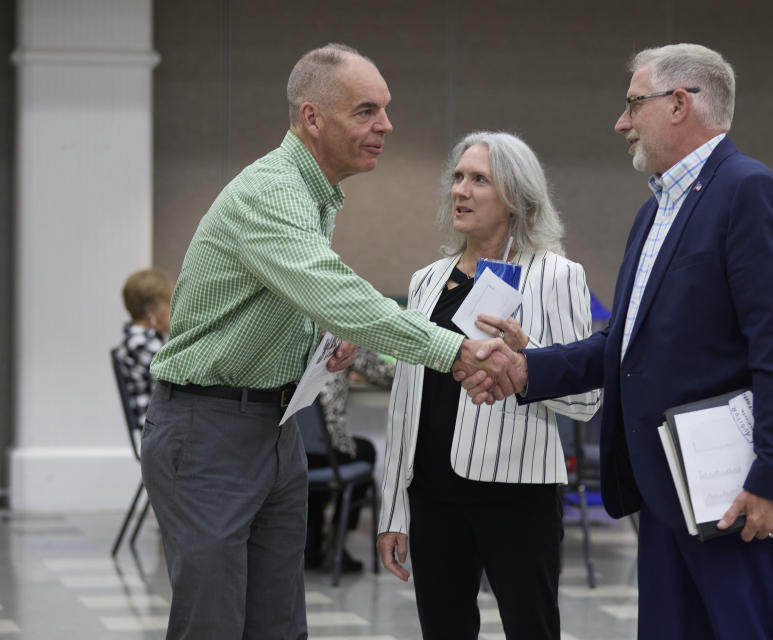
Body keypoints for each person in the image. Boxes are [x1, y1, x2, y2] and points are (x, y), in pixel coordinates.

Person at [141, 44, 516, 640]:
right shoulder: (273, 192)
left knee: (279, 623)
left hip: (273, 426)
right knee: (212, 624)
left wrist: (316, 337)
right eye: (366, 111)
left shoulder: (315, 194)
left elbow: (295, 295)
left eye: (385, 110)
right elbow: (334, 290)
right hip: (208, 429)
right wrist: (454, 349)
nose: (386, 126)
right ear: (313, 118)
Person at [460, 44, 773, 639]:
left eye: (632, 105)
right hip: (665, 492)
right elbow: (623, 348)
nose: (621, 123)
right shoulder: (654, 215)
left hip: (734, 496)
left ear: (679, 104)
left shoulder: (746, 191)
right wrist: (526, 370)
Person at [377, 131, 601, 640]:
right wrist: (393, 510)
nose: (461, 190)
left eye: (479, 180)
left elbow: (589, 400)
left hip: (517, 497)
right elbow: (404, 402)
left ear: (517, 198)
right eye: (457, 177)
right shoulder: (426, 281)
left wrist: (529, 359)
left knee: (532, 630)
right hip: (433, 497)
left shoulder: (557, 276)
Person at [304, 347, 395, 572]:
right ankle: (336, 545)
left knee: (311, 471)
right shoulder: (341, 340)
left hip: (291, 446)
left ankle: (311, 545)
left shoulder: (294, 338)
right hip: (328, 450)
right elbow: (388, 375)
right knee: (365, 452)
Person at [116, 268, 173, 428]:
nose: (174, 309)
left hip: (158, 425)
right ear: (151, 311)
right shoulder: (143, 344)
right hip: (156, 428)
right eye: (169, 303)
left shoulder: (138, 339)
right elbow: (173, 386)